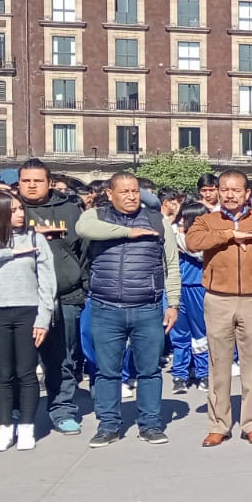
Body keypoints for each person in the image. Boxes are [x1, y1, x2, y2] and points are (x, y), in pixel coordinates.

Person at [75, 173, 181, 447]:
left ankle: (151, 424)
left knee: (149, 370)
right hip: (106, 307)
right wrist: (127, 232)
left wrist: (173, 303)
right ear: (110, 194)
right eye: (124, 192)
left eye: (135, 191)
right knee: (107, 371)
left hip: (147, 307)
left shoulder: (157, 221)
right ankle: (108, 425)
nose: (131, 196)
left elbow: (171, 265)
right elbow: (83, 229)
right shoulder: (95, 216)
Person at [184, 171, 252, 446]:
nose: (230, 195)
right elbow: (193, 242)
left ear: (247, 193)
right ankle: (219, 424)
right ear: (217, 191)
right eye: (225, 189)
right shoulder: (207, 220)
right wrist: (231, 234)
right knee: (219, 364)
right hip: (218, 299)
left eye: (236, 190)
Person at [0, 189, 57, 452]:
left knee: (26, 372)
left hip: (28, 311)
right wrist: (10, 252)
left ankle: (27, 427)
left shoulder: (35, 238)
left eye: (21, 209)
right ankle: (5, 428)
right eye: (12, 210)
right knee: (3, 374)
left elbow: (47, 281)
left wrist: (43, 318)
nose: (20, 214)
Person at [14, 159, 87, 435]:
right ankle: (18, 411)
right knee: (19, 360)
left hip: (64, 297)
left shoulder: (69, 210)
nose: (32, 186)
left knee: (61, 359)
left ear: (49, 182)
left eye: (38, 181)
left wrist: (83, 288)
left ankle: (62, 410)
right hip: (19, 299)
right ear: (19, 183)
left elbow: (84, 251)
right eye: (26, 181)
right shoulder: (9, 209)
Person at [169, 206, 210, 395]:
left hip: (198, 287)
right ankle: (179, 375)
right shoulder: (175, 235)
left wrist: (180, 239)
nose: (181, 222)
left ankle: (203, 373)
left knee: (200, 333)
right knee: (179, 333)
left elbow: (199, 254)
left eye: (184, 219)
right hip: (176, 288)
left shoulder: (205, 239)